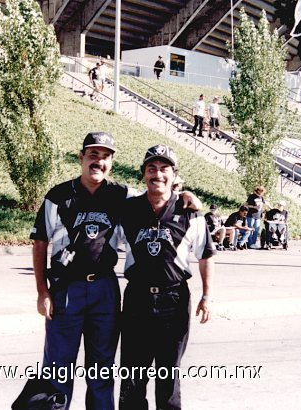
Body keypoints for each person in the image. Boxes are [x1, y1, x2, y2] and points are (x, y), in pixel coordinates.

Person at [25, 132, 202, 410]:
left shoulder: (122, 196)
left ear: (111, 163)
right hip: (66, 289)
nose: (99, 161)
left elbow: (157, 195)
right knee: (58, 369)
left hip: (104, 289)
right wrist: (42, 292)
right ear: (81, 157)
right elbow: (40, 243)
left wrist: (185, 195)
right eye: (93, 155)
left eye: (105, 156)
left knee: (102, 370)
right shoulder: (58, 196)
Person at [118, 144, 214, 410]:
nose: (157, 174)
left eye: (164, 169)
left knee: (168, 374)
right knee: (132, 376)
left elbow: (205, 255)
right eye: (151, 169)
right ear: (143, 174)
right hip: (137, 298)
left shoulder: (190, 212)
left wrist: (207, 296)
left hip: (174, 298)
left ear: (174, 175)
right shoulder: (128, 209)